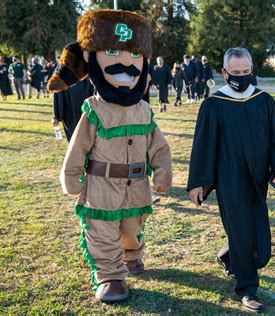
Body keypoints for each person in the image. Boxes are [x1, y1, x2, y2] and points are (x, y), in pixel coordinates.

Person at [48, 9, 172, 303]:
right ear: (92, 60)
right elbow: (78, 145)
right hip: (101, 187)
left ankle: (131, 254)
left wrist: (163, 173)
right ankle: (110, 276)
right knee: (102, 231)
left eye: (132, 55)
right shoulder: (94, 108)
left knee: (132, 228)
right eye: (113, 51)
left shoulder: (143, 109)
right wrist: (70, 175)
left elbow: (158, 145)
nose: (125, 63)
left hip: (137, 187)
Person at [187, 47, 275, 313]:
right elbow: (203, 146)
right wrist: (199, 182)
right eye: (235, 72)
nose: (241, 76)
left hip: (258, 176)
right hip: (228, 178)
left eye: (246, 71)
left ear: (252, 70)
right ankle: (247, 288)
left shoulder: (263, 100)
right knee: (242, 229)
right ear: (225, 73)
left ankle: (228, 256)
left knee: (250, 225)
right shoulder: (214, 104)